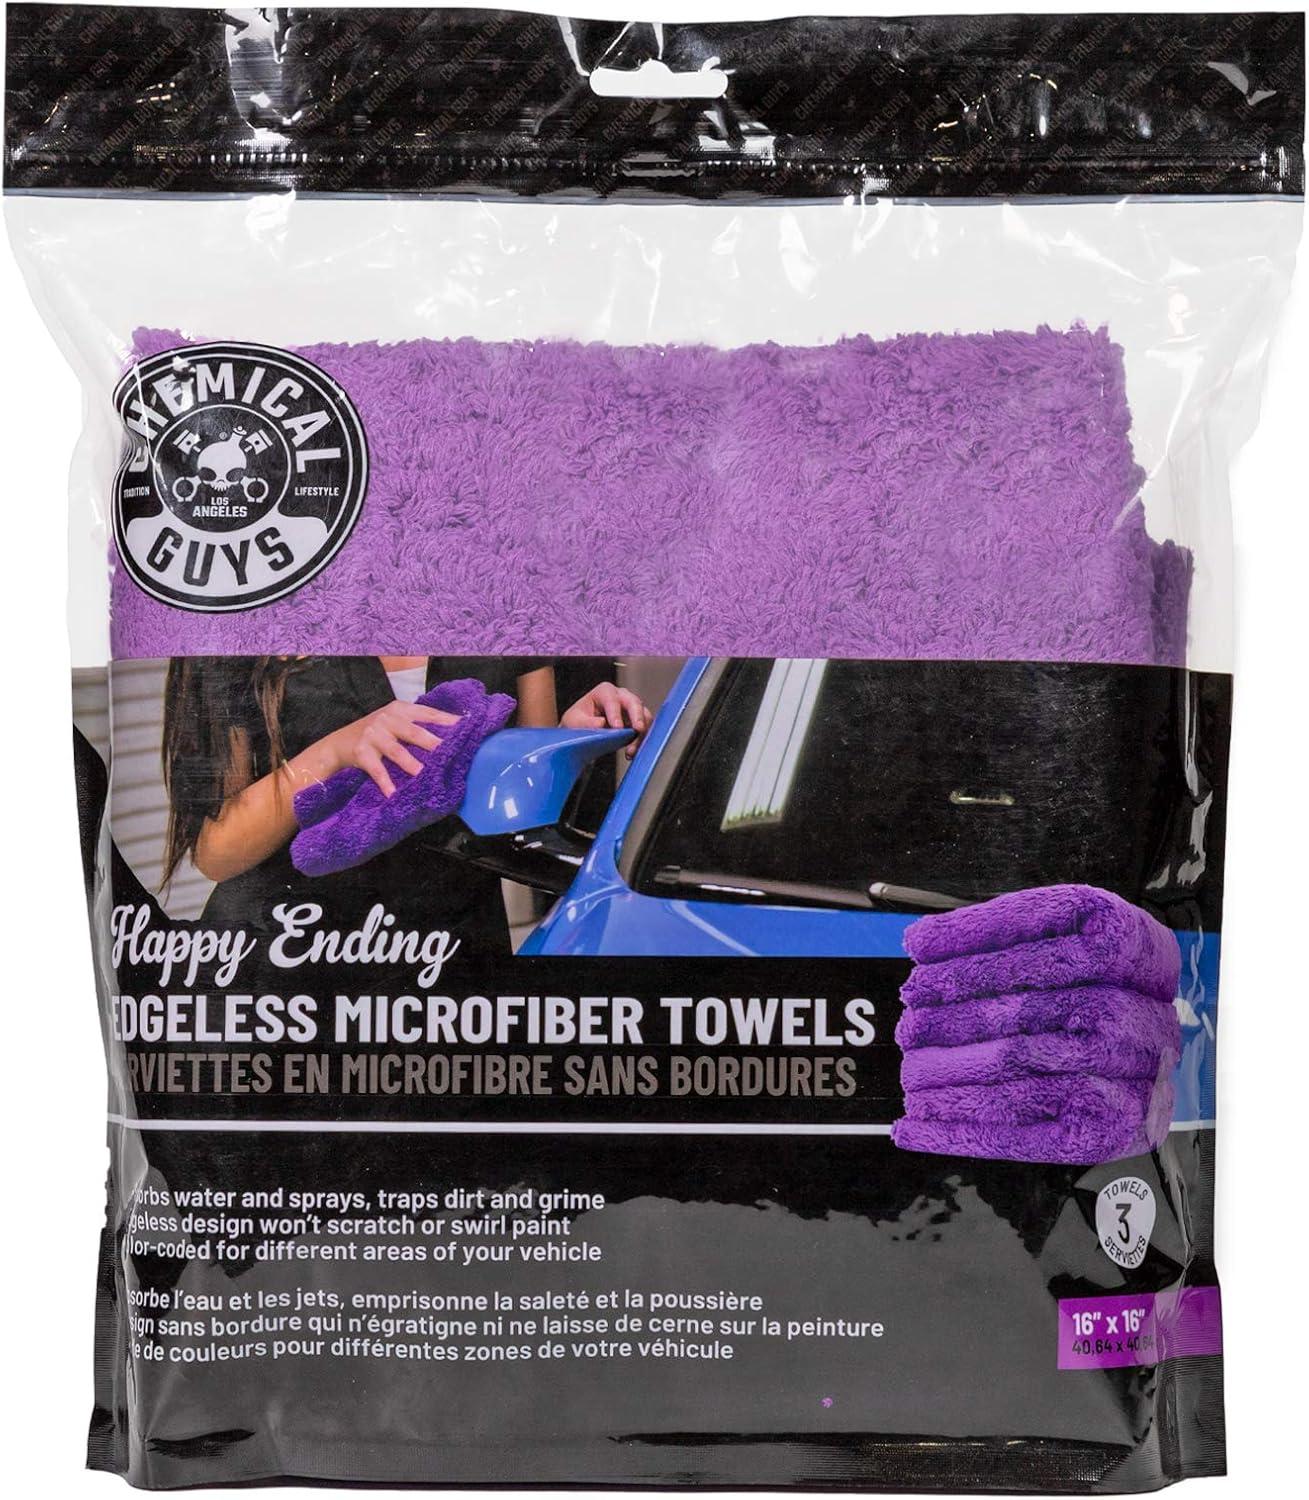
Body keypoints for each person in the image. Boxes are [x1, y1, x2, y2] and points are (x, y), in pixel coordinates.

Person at [160, 656, 650, 950]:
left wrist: (568, 739)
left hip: (453, 955)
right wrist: (334, 752)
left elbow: (516, 794)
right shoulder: (260, 605)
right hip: (293, 960)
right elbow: (215, 851)